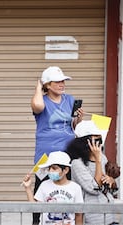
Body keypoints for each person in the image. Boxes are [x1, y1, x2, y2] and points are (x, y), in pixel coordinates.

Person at [30, 66, 83, 225]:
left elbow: (72, 125)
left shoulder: (70, 99)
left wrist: (78, 119)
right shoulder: (41, 100)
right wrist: (39, 88)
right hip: (45, 153)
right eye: (58, 81)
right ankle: (37, 222)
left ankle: (66, 221)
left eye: (63, 81)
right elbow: (38, 107)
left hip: (67, 152)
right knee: (41, 188)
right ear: (47, 84)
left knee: (66, 189)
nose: (62, 84)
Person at [66, 120, 119, 225]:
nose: (99, 143)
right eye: (95, 140)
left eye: (100, 139)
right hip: (91, 218)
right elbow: (94, 188)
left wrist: (112, 182)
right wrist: (98, 160)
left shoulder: (103, 158)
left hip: (108, 216)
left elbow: (113, 191)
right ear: (85, 142)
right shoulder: (77, 163)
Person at [22, 151, 84, 225]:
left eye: (54, 168)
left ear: (66, 170)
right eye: (49, 168)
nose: (50, 171)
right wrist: (27, 188)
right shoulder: (44, 185)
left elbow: (79, 215)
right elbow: (35, 208)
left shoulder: (75, 188)